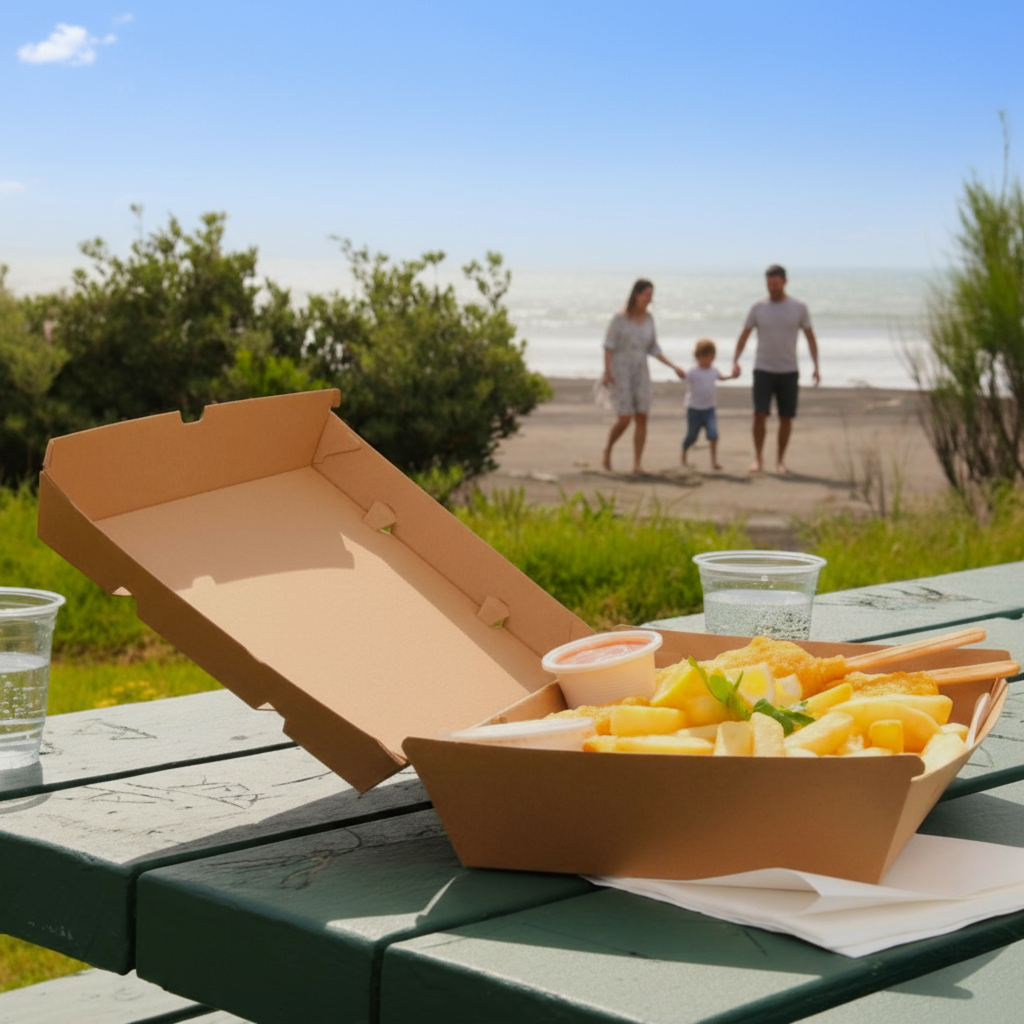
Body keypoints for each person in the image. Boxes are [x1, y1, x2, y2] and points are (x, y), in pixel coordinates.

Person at [731, 265, 820, 474]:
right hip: (763, 368)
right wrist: (735, 360)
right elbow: (744, 335)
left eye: (776, 284)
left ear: (785, 282)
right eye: (769, 284)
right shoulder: (758, 307)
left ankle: (780, 460)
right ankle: (758, 459)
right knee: (759, 414)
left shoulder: (799, 307)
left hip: (789, 370)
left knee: (786, 417)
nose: (772, 288)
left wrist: (816, 366)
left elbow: (810, 337)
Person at [601, 279, 685, 474]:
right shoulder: (619, 317)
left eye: (651, 295)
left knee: (642, 417)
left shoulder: (649, 319)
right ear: (636, 295)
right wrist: (607, 371)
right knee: (625, 418)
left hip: (641, 371)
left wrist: (673, 366)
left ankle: (637, 463)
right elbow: (608, 345)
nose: (649, 299)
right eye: (646, 295)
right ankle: (608, 449)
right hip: (620, 370)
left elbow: (653, 347)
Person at [680, 338, 739, 470]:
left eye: (709, 357)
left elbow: (721, 378)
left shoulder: (714, 371)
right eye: (703, 357)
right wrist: (680, 373)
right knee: (692, 436)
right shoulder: (693, 371)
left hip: (709, 409)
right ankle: (684, 451)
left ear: (713, 358)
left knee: (713, 434)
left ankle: (714, 461)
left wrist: (732, 376)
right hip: (694, 409)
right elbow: (684, 376)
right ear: (697, 357)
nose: (706, 360)